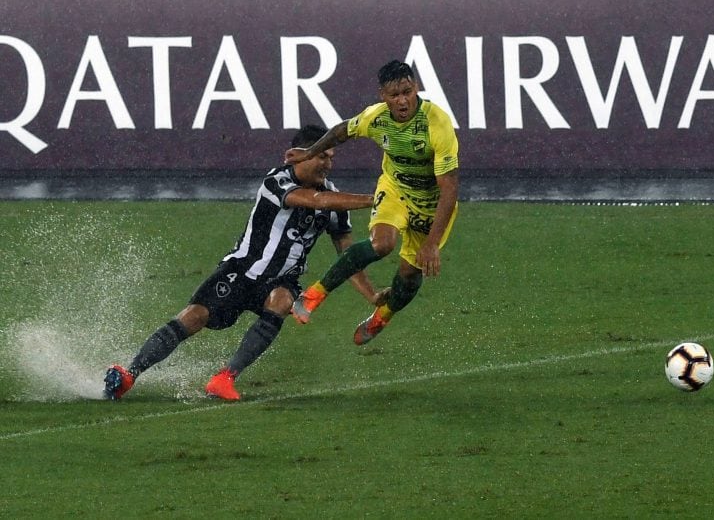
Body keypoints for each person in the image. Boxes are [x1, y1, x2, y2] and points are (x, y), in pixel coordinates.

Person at [103, 124, 387, 401]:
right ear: (302, 154)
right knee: (193, 316)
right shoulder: (276, 181)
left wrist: (371, 295)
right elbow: (315, 201)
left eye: (331, 158)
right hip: (241, 269)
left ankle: (225, 378)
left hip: (281, 280)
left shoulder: (335, 201)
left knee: (282, 300)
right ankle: (129, 374)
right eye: (322, 156)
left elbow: (348, 255)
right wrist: (374, 199)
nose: (327, 164)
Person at [285, 60, 459, 345]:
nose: (402, 100)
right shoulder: (376, 118)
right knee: (382, 244)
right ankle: (314, 294)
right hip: (395, 191)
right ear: (383, 96)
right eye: (394, 95)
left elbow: (450, 187)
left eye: (407, 91)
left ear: (416, 87)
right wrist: (309, 152)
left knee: (410, 274)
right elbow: (343, 131)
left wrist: (432, 243)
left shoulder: (436, 124)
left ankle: (383, 315)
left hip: (432, 203)